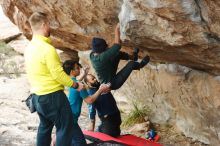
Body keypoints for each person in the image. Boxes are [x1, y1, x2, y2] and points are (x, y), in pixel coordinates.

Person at [25, 12, 83, 146]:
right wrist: (75, 85)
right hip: (52, 96)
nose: (49, 27)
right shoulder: (47, 49)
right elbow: (58, 74)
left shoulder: (29, 48)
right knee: (65, 127)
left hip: (37, 97)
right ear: (44, 24)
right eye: (48, 24)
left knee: (44, 128)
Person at [62, 60, 111, 146]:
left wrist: (84, 74)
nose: (79, 69)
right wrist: (100, 90)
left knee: (71, 140)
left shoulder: (67, 82)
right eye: (77, 68)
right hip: (71, 119)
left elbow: (75, 83)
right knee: (80, 143)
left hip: (63, 117)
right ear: (72, 71)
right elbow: (89, 100)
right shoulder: (80, 85)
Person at [90, 23, 150, 90]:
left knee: (116, 54)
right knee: (131, 64)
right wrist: (117, 28)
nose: (107, 48)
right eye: (105, 48)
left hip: (110, 70)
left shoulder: (93, 54)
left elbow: (112, 49)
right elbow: (117, 45)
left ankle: (133, 57)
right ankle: (140, 65)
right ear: (101, 51)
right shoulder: (100, 59)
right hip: (112, 84)